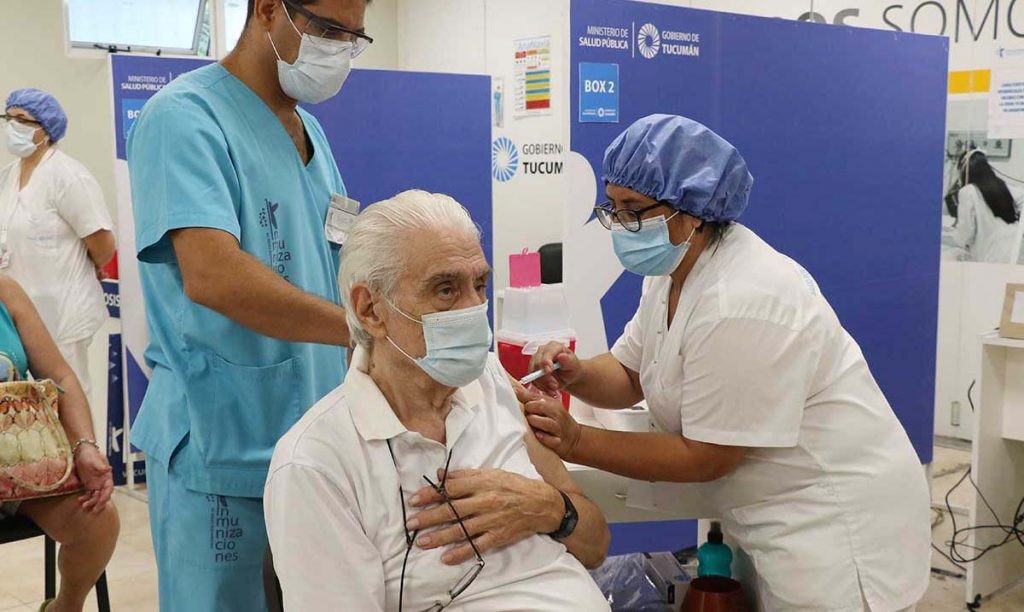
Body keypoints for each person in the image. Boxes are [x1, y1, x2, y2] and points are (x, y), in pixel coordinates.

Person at [524, 115, 931, 611]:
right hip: (772, 512)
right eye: (613, 206)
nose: (619, 224)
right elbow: (630, 374)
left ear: (691, 212)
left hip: (838, 527)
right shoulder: (672, 271)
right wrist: (578, 373)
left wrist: (575, 440)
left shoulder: (740, 299)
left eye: (632, 209)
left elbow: (706, 457)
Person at [125, 0, 372, 608]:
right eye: (329, 29)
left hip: (310, 445)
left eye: (354, 37)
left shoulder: (310, 133)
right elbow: (213, 276)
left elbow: (331, 257)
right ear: (267, 9)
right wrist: (363, 329)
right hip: (222, 440)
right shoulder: (183, 118)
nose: (340, 50)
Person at [265, 190, 611, 611]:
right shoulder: (316, 463)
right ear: (371, 310)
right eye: (446, 290)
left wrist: (550, 508)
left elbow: (595, 544)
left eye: (479, 285)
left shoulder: (494, 382)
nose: (474, 309)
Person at [0, 274, 118, 612]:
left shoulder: (6, 291)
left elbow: (61, 375)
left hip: (20, 463)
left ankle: (65, 607)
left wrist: (85, 446)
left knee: (97, 520)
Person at [0, 89, 116, 401]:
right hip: (19, 313)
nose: (12, 126)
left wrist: (90, 264)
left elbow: (102, 243)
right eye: (8, 117)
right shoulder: (7, 177)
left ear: (47, 129)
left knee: (66, 401)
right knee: (23, 405)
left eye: (22, 119)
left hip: (63, 314)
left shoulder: (68, 176)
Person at [949, 149, 1024, 264]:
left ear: (965, 171)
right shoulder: (1002, 186)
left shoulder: (967, 192)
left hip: (992, 258)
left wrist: (955, 234)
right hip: (1016, 253)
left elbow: (965, 234)